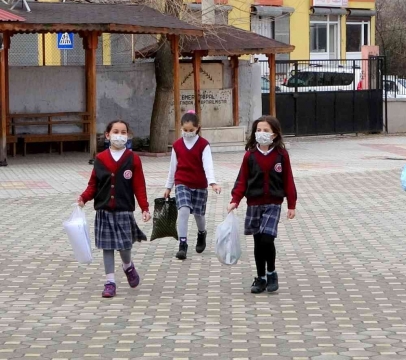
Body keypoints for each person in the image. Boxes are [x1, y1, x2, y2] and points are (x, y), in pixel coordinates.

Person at [78, 120, 151, 298]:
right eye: (116, 131)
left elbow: (139, 185)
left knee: (125, 247)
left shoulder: (133, 159)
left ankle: (128, 266)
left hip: (124, 210)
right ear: (108, 135)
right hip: (104, 211)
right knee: (108, 247)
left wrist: (144, 207)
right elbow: (93, 184)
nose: (120, 135)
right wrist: (83, 198)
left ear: (128, 135)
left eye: (124, 132)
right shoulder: (101, 158)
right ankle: (110, 281)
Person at [228, 115, 297, 294]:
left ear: (274, 134)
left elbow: (288, 179)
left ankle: (271, 272)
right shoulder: (250, 156)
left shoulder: (281, 155)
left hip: (273, 203)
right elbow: (242, 180)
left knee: (267, 239)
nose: (261, 133)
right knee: (258, 242)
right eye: (258, 130)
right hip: (254, 203)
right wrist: (235, 200)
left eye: (266, 130)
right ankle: (260, 277)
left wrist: (291, 204)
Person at [164, 110, 221, 260]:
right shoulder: (177, 145)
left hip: (200, 184)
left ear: (197, 128)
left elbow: (208, 165)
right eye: (185, 130)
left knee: (198, 214)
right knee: (183, 210)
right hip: (182, 183)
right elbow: (172, 167)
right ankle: (182, 244)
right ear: (181, 127)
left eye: (191, 130)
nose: (187, 133)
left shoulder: (203, 145)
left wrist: (212, 182)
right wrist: (168, 186)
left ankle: (202, 233)